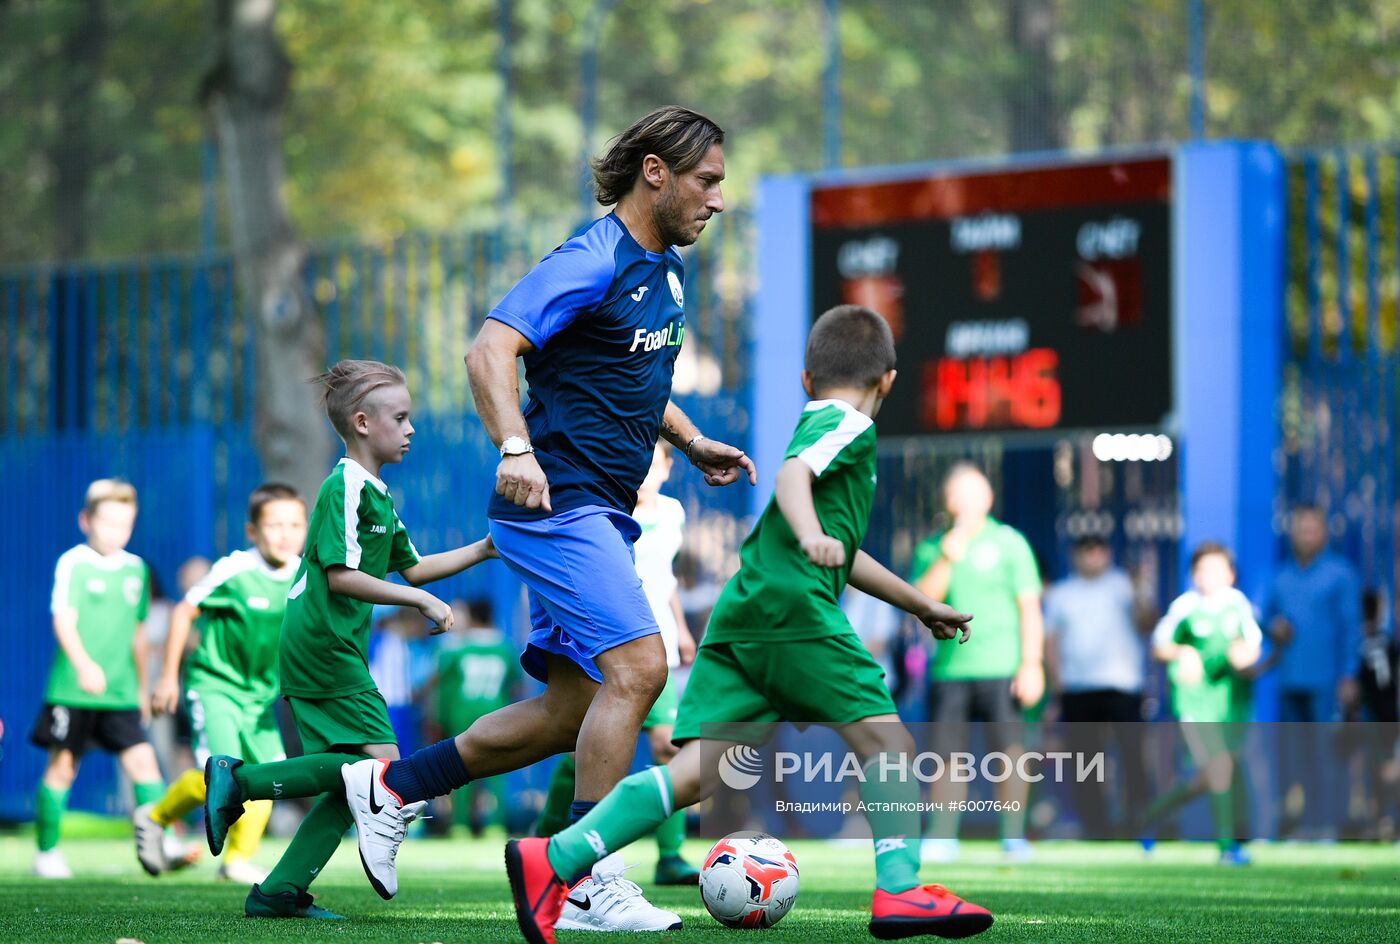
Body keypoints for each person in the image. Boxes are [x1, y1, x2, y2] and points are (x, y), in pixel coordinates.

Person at [339, 106, 753, 933]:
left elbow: (631, 382)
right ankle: (585, 872)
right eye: (707, 181)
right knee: (641, 668)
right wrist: (514, 448)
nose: (718, 200)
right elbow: (488, 349)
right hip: (555, 500)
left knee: (571, 712)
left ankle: (392, 789)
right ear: (656, 173)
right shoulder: (591, 255)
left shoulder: (664, 271)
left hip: (599, 509)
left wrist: (692, 438)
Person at [502, 304, 992, 944]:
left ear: (806, 379)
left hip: (746, 616)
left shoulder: (821, 417)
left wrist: (919, 604)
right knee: (890, 747)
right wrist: (813, 533)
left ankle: (555, 859)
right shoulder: (847, 423)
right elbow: (792, 481)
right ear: (889, 381)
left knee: (699, 772)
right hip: (793, 611)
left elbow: (841, 546)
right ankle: (900, 892)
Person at [200, 359, 496, 918]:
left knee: (358, 783)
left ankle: (279, 891)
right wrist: (422, 603)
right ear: (363, 422)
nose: (412, 430)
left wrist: (484, 549)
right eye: (402, 418)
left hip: (332, 644)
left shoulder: (378, 495)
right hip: (322, 643)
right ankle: (238, 783)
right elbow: (341, 576)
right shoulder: (345, 487)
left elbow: (415, 568)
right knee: (382, 771)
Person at [533, 440, 702, 909]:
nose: (646, 472)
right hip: (611, 645)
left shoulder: (672, 513)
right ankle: (547, 838)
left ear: (668, 469)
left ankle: (669, 856)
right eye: (640, 462)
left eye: (656, 462)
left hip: (659, 643)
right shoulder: (609, 510)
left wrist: (682, 629)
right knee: (582, 753)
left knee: (669, 744)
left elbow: (664, 578)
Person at [134, 483, 308, 883]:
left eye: (295, 524)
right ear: (252, 532)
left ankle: (235, 862)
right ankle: (155, 817)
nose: (285, 533)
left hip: (260, 697)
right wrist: (167, 679)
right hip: (216, 685)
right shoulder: (234, 570)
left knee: (270, 776)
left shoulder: (303, 576)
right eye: (274, 524)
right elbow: (184, 612)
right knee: (223, 773)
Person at [30, 479, 166, 879]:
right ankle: (47, 853)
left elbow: (138, 635)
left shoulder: (136, 569)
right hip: (73, 690)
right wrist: (84, 664)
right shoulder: (73, 562)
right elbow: (63, 620)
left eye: (124, 524)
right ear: (85, 520)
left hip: (122, 693)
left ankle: (158, 843)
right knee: (62, 768)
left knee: (145, 766)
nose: (115, 532)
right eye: (107, 522)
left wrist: (142, 688)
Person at [910, 464, 1044, 861]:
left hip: (1004, 668)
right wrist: (948, 558)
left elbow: (1030, 607)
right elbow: (922, 603)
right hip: (950, 671)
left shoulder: (1010, 543)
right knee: (947, 757)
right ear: (948, 501)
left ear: (988, 499)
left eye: (975, 493)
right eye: (959, 494)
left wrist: (1032, 663)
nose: (967, 502)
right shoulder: (932, 547)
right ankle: (943, 834)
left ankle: (1013, 835)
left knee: (1011, 754)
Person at [1141, 542, 1261, 865]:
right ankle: (1227, 847)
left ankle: (1151, 816)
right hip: (1194, 701)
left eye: (1217, 569)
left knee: (1212, 775)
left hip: (1231, 701)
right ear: (1193, 575)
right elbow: (1158, 646)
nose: (1209, 576)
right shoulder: (1185, 607)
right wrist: (1183, 652)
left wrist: (1244, 657)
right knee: (1219, 766)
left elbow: (1252, 648)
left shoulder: (1238, 606)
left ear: (1231, 574)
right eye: (1202, 570)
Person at [1043, 535, 1153, 837]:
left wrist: (1140, 589)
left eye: (1098, 549)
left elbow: (1146, 623)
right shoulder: (1062, 593)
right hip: (1077, 688)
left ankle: (1138, 821)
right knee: (1085, 762)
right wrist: (1057, 686)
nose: (1092, 556)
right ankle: (1095, 825)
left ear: (1107, 553)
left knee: (1132, 755)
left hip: (1122, 685)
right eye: (1085, 550)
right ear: (1076, 555)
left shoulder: (1124, 585)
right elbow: (1051, 641)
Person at [1263, 505, 1360, 837]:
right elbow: (1264, 619)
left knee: (1326, 755)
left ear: (1323, 532)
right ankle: (1301, 825)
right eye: (1300, 528)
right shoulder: (1280, 577)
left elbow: (1351, 628)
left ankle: (1327, 824)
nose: (1306, 534)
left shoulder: (1340, 574)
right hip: (1290, 679)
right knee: (1294, 756)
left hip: (1326, 681)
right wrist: (1272, 628)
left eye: (1312, 528)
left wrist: (1348, 674)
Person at [428, 599, 518, 835]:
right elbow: (516, 685)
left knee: (460, 767)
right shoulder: (504, 648)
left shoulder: (457, 649)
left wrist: (439, 718)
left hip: (462, 713)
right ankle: (495, 825)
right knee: (498, 768)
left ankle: (460, 825)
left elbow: (442, 686)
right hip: (497, 711)